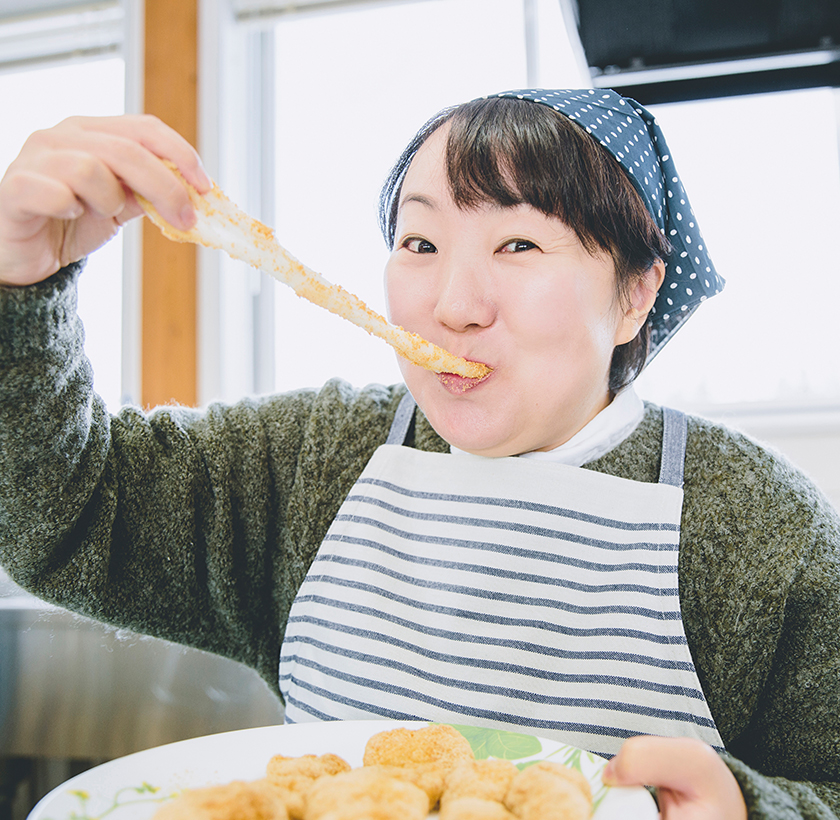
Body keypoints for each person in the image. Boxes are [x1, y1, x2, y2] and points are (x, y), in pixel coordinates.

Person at [0, 88, 838, 820]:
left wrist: (752, 810)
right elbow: (65, 511)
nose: (453, 305)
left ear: (635, 294)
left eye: (518, 245)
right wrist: (18, 283)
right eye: (421, 244)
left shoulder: (760, 528)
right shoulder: (312, 463)